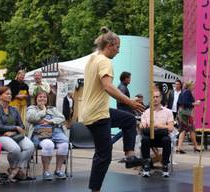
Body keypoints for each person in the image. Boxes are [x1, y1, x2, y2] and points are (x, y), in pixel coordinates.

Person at [81, 27, 144, 192]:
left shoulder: (93, 58)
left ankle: (130, 156)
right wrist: (130, 102)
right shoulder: (105, 61)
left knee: (129, 120)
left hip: (93, 111)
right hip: (97, 114)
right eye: (117, 47)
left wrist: (107, 33)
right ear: (110, 45)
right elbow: (108, 87)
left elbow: (100, 45)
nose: (118, 51)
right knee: (104, 155)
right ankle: (95, 190)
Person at [0, 86, 35, 182]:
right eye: (7, 94)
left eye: (10, 94)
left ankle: (15, 169)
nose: (10, 95)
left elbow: (21, 125)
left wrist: (14, 131)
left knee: (30, 146)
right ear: (0, 96)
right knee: (15, 149)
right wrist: (15, 128)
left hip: (15, 134)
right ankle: (14, 168)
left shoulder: (14, 110)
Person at [26, 91, 68, 181]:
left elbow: (62, 118)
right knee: (49, 145)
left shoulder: (52, 109)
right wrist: (43, 110)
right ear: (36, 99)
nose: (42, 98)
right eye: (40, 97)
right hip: (40, 132)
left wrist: (51, 121)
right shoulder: (32, 108)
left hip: (55, 131)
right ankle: (46, 171)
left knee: (64, 145)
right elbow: (32, 118)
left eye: (44, 97)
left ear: (47, 99)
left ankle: (58, 170)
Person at [140, 90, 174, 178]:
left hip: (162, 137)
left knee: (167, 139)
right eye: (153, 97)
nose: (155, 99)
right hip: (150, 137)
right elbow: (142, 125)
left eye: (157, 97)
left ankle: (165, 164)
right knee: (144, 139)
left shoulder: (168, 112)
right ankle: (146, 164)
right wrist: (142, 125)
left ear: (161, 98)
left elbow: (170, 128)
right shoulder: (146, 112)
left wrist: (158, 125)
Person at [176, 81, 201, 154]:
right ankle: (195, 146)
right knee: (190, 130)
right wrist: (195, 103)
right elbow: (185, 102)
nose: (194, 86)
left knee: (185, 130)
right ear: (189, 86)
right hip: (186, 114)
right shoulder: (187, 92)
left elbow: (179, 103)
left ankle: (179, 147)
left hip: (182, 113)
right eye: (193, 85)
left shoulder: (182, 92)